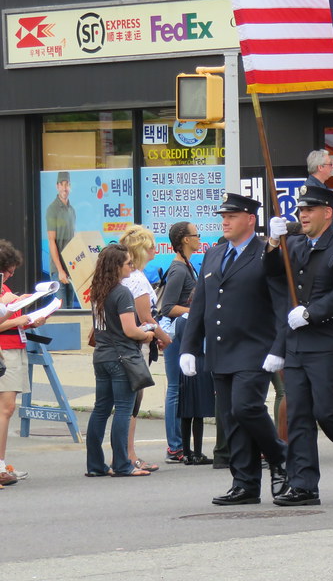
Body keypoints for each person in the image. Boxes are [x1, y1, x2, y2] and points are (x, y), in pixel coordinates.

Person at [265, 184, 333, 507]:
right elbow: (270, 272)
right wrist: (272, 243)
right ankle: (303, 484)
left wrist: (311, 313)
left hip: (329, 343)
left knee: (328, 413)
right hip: (298, 344)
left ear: (327, 213)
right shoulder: (295, 244)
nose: (303, 214)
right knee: (298, 413)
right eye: (301, 210)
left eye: (309, 209)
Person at [179, 193, 289, 505]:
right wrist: (189, 346)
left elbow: (282, 303)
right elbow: (200, 302)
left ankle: (280, 456)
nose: (225, 221)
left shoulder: (266, 252)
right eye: (223, 216)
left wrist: (278, 346)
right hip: (220, 349)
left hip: (255, 347)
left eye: (233, 216)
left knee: (246, 408)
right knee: (230, 418)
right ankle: (245, 483)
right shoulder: (215, 254)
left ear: (251, 219)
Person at [85, 244, 155, 478]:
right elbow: (129, 330)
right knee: (124, 410)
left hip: (102, 355)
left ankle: (95, 464)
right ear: (116, 266)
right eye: (128, 263)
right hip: (122, 357)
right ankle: (123, 464)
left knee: (101, 409)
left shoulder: (98, 291)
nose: (132, 266)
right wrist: (146, 333)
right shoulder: (122, 292)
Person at [119, 225, 171, 472]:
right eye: (150, 244)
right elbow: (146, 317)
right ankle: (129, 455)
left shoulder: (124, 277)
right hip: (136, 344)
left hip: (123, 344)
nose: (154, 248)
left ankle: (125, 455)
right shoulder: (137, 279)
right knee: (132, 403)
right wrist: (163, 337)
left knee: (125, 402)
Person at [0, 241, 48, 484]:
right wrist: (20, 318)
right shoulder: (3, 292)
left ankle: (1, 463)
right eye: (7, 271)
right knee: (5, 409)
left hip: (13, 347)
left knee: (7, 410)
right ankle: (0, 466)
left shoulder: (5, 289)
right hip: (5, 349)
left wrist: (30, 319)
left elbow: (12, 319)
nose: (9, 275)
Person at [158, 221, 201, 463]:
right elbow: (167, 307)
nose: (198, 238)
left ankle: (178, 444)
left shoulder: (186, 265)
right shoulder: (178, 270)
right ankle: (174, 446)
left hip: (183, 334)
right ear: (185, 240)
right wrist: (195, 310)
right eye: (196, 235)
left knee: (179, 388)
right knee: (174, 388)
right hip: (174, 336)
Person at [45, 171, 76, 307]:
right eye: (62, 184)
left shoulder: (72, 210)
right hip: (59, 269)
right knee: (62, 311)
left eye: (67, 184)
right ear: (57, 186)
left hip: (71, 267)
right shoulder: (52, 209)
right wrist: (60, 270)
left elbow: (73, 240)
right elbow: (52, 241)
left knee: (72, 309)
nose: (65, 188)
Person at [305, 149, 333, 234]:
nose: (332, 167)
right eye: (330, 164)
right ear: (320, 167)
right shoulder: (313, 189)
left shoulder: (320, 186)